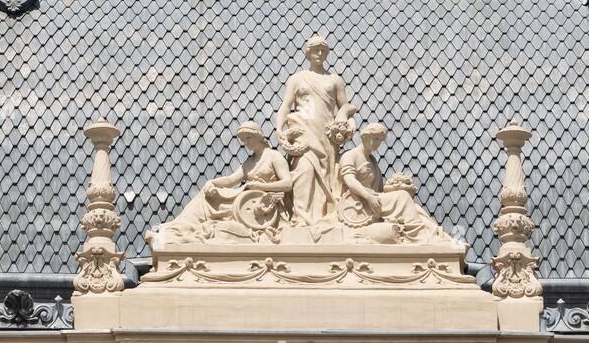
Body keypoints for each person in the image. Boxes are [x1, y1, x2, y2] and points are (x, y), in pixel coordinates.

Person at [162, 123, 292, 241]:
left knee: (209, 199)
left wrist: (259, 186)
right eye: (243, 140)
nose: (246, 143)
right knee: (207, 195)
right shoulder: (250, 162)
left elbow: (287, 184)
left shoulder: (274, 156)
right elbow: (231, 180)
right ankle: (182, 226)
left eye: (248, 137)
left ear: (258, 136)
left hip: (261, 206)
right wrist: (212, 182)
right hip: (244, 201)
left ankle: (182, 229)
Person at [276, 35, 357, 225]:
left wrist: (348, 122)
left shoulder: (334, 80)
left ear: (327, 53)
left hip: (326, 136)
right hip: (303, 134)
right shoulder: (297, 79)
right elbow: (286, 106)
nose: (319, 53)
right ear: (308, 53)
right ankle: (302, 217)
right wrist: (279, 128)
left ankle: (323, 216)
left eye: (323, 50)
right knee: (304, 169)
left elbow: (345, 106)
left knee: (327, 177)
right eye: (315, 49)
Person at [338, 123, 449, 243]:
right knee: (402, 197)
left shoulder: (372, 160)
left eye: (380, 141)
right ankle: (419, 236)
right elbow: (349, 180)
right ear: (364, 137)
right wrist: (368, 196)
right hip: (360, 202)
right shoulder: (350, 156)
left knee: (415, 208)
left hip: (374, 199)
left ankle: (433, 233)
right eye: (375, 139)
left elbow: (378, 191)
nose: (377, 143)